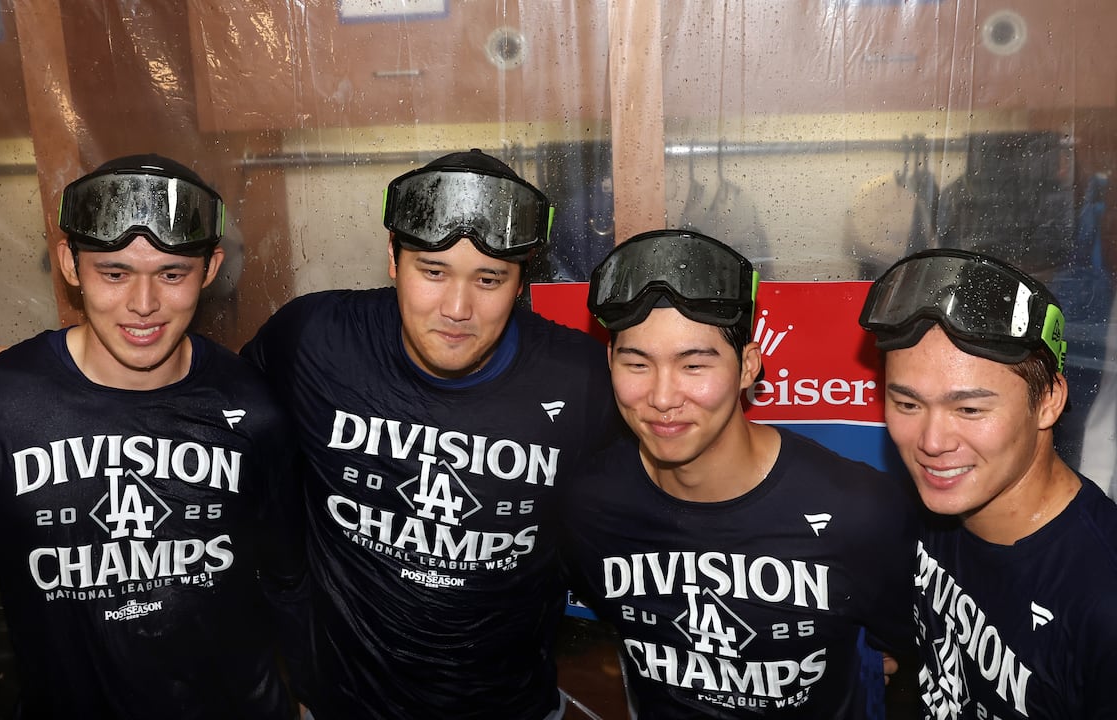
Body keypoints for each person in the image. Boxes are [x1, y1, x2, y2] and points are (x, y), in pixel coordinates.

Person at [238, 149, 620, 719]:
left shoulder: (581, 381)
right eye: (433, 271)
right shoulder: (315, 341)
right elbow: (221, 431)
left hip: (510, 706)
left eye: (489, 278)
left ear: (520, 283)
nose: (457, 308)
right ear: (393, 258)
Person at [0, 154, 301, 719]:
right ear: (69, 265)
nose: (143, 306)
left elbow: (290, 585)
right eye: (114, 273)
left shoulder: (255, 405)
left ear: (211, 267)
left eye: (172, 274)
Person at [564, 229, 918, 717]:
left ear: (748, 367)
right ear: (610, 361)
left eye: (693, 365)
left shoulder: (859, 510)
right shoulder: (589, 505)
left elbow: (909, 658)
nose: (663, 398)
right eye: (637, 363)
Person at [859, 248, 1117, 718]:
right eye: (908, 405)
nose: (932, 443)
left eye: (970, 409)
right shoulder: (925, 511)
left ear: (1050, 401)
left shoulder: (1100, 601)